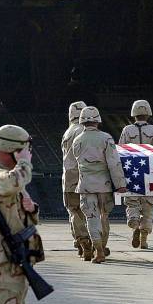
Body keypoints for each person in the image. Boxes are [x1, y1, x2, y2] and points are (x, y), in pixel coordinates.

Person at [0, 125, 40, 304]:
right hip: (1, 264)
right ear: (13, 150)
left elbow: (20, 219)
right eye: (23, 150)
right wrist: (24, 162)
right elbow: (13, 181)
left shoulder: (9, 180)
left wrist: (31, 210)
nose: (28, 155)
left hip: (13, 262)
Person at [73, 107, 127, 263]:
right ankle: (102, 247)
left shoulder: (78, 140)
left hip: (86, 185)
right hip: (105, 185)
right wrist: (120, 184)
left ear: (82, 121)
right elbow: (114, 163)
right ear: (97, 121)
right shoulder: (106, 138)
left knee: (91, 217)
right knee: (104, 216)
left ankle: (98, 250)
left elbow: (75, 162)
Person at [119, 100, 153, 249]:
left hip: (132, 173)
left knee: (132, 202)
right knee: (148, 206)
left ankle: (134, 225)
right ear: (148, 113)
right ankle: (144, 238)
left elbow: (121, 150)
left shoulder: (127, 130)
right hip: (150, 173)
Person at [61, 101, 91, 259]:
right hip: (86, 175)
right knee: (89, 210)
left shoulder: (68, 132)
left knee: (73, 210)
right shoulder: (86, 131)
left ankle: (81, 239)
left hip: (69, 176)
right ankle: (92, 240)